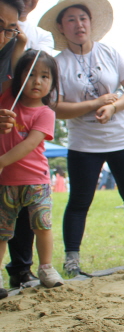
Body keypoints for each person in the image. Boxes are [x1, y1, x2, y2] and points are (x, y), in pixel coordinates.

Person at [39, 0, 124, 276]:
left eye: (83, 18)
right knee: (79, 200)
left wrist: (113, 107)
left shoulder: (110, 53)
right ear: (61, 27)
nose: (79, 24)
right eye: (71, 20)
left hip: (122, 139)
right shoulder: (58, 63)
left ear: (91, 23)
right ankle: (71, 259)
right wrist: (95, 104)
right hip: (83, 144)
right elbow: (56, 107)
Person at [0, 50, 64, 297]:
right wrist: (22, 43)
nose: (37, 81)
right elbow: (13, 60)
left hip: (36, 181)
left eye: (45, 76)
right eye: (30, 74)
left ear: (52, 83)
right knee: (2, 231)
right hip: (6, 182)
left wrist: (1, 161)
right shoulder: (7, 98)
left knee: (42, 226)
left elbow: (28, 145)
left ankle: (46, 268)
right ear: (19, 77)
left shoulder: (46, 112)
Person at [1, 0, 50, 289]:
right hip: (8, 176)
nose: (4, 35)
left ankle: (36, 268)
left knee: (34, 226)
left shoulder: (43, 112)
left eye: (8, 28)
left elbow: (16, 77)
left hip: (28, 179)